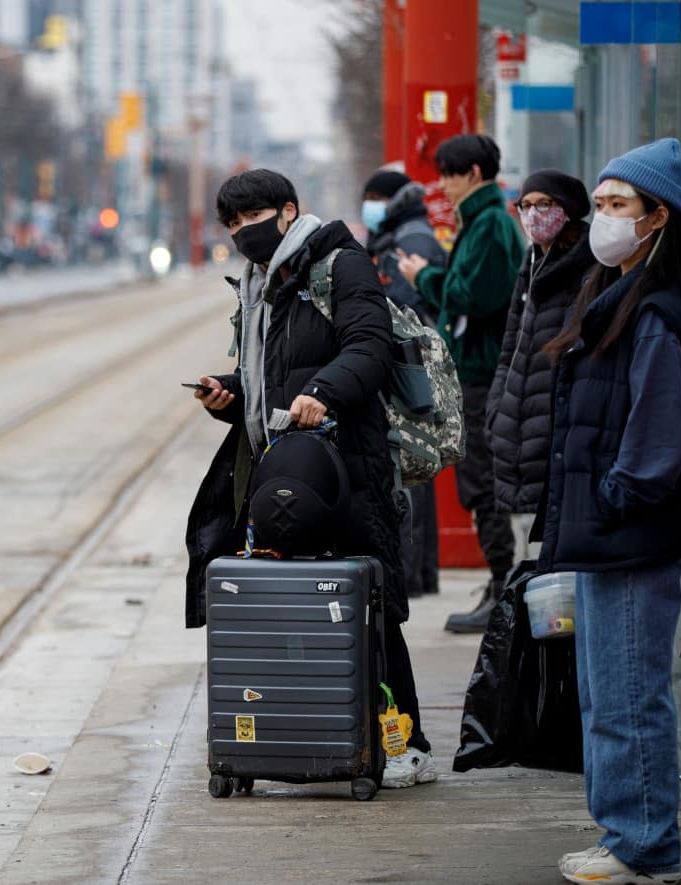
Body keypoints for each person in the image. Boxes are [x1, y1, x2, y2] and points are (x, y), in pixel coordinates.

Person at [184, 168, 436, 788]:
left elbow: (369, 347)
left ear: (289, 211)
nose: (246, 232)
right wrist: (232, 391)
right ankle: (304, 731)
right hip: (284, 464)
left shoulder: (339, 264)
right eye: (235, 224)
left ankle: (404, 743)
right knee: (289, 604)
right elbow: (273, 372)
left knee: (371, 605)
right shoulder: (257, 282)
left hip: (348, 460)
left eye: (255, 218)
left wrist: (324, 391)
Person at [540, 138, 681, 885]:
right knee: (607, 693)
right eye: (598, 205)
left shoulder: (657, 312)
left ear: (657, 216)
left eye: (617, 206)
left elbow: (655, 435)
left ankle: (645, 844)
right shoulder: (614, 294)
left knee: (630, 693)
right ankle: (625, 833)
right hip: (606, 531)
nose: (603, 220)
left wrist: (617, 497)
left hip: (631, 532)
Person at [397, 134, 522, 633]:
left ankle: (501, 585)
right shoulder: (484, 220)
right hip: (476, 370)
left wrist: (425, 276)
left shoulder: (490, 222)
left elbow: (476, 294)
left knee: (482, 481)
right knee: (479, 480)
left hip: (480, 372)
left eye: (449, 175)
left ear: (472, 174)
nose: (442, 185)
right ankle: (498, 585)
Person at [485, 170, 593, 591]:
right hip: (516, 422)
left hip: (551, 425)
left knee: (553, 553)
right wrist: (497, 408)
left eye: (543, 204)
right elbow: (511, 344)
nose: (532, 214)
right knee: (530, 553)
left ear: (567, 210)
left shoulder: (584, 265)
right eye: (525, 205)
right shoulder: (532, 260)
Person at [362, 168, 444, 600]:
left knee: (408, 469)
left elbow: (403, 310)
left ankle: (410, 574)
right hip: (411, 366)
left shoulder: (409, 240)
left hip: (409, 368)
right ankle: (421, 573)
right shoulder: (402, 233)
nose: (370, 204)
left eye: (376, 197)